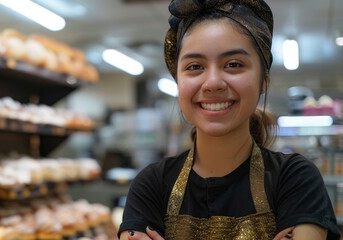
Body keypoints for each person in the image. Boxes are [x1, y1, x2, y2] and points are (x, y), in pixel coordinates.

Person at [118, 0, 341, 239]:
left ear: (263, 81)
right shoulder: (151, 185)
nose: (213, 83)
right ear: (178, 82)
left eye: (233, 64)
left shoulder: (295, 178)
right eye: (194, 66)